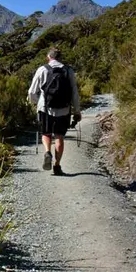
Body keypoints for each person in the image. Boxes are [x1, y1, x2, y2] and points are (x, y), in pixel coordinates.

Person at [28, 47, 81, 176]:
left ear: (49, 57)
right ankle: (57, 166)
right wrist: (77, 111)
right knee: (59, 137)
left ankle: (47, 152)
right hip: (64, 109)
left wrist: (38, 103)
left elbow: (31, 92)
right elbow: (74, 93)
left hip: (45, 108)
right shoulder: (69, 71)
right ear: (60, 58)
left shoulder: (42, 69)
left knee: (46, 133)